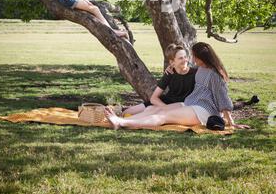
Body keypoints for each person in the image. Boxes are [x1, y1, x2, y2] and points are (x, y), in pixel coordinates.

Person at [104, 42, 250, 130]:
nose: (190, 59)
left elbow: (223, 99)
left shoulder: (215, 75)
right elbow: (184, 68)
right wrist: (171, 67)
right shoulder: (201, 70)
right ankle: (124, 120)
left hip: (203, 111)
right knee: (154, 108)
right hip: (189, 104)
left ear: (200, 58)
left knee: (163, 116)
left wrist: (230, 122)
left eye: (193, 56)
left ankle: (122, 123)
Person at [123, 44, 196, 116]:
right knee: (128, 112)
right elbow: (154, 98)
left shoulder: (195, 73)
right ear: (172, 62)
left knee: (149, 112)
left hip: (181, 106)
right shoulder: (170, 73)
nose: (185, 60)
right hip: (166, 102)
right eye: (181, 58)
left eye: (185, 57)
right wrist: (166, 108)